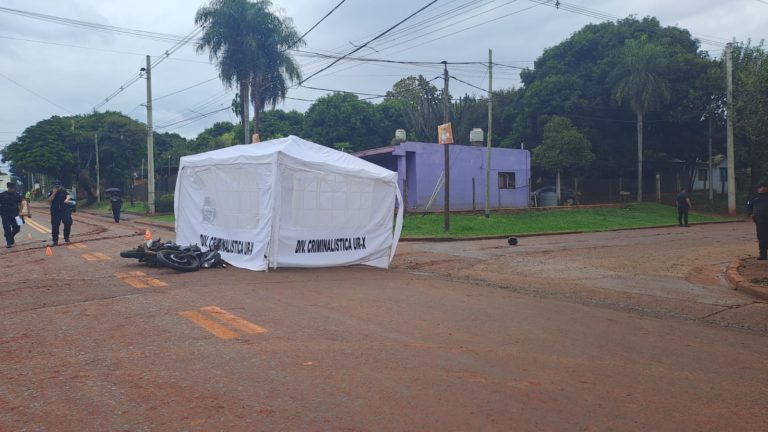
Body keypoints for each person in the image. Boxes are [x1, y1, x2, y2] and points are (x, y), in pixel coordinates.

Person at [746, 182, 768, 260]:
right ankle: (763, 254)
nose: (762, 189)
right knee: (762, 237)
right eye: (761, 187)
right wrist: (750, 214)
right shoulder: (754, 197)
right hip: (760, 220)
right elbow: (749, 205)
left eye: (764, 187)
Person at [47, 180, 72, 245]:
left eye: (58, 186)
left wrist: (66, 200)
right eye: (56, 186)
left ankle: (66, 237)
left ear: (60, 186)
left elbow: (68, 195)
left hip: (64, 210)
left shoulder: (63, 191)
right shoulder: (51, 191)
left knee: (68, 222)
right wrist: (54, 193)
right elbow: (49, 201)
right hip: (55, 211)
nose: (57, 187)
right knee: (55, 226)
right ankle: (55, 241)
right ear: (54, 186)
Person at [0, 182, 22, 248]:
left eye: (13, 188)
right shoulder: (2, 195)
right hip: (5, 214)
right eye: (11, 188)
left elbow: (21, 203)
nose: (12, 189)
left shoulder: (18, 195)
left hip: (16, 214)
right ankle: (8, 243)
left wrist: (21, 212)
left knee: (17, 228)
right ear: (8, 188)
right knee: (7, 228)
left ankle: (10, 236)